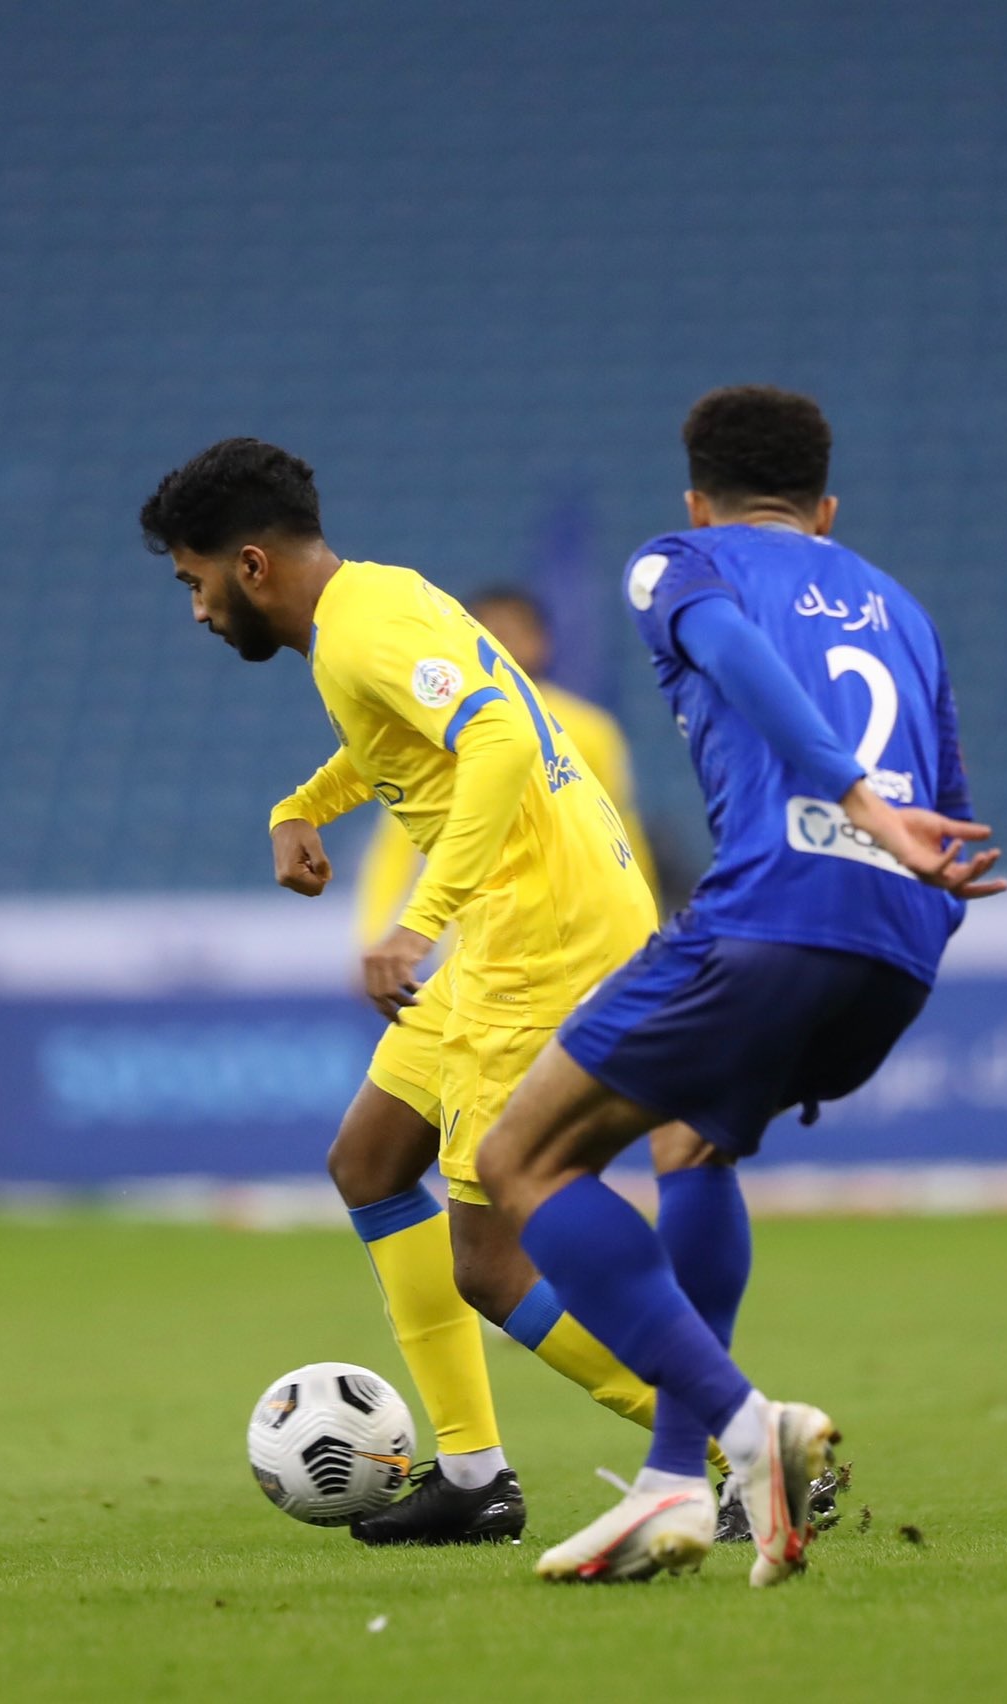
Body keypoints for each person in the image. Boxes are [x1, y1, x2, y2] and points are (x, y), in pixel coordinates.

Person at [467, 386, 1003, 1587]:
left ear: (694, 498)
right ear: (825, 508)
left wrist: (844, 796)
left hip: (769, 918)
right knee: (688, 1144)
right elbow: (954, 807)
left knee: (520, 1161)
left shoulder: (677, 563)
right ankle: (670, 1491)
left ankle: (741, 1425)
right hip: (900, 947)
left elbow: (730, 652)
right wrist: (894, 848)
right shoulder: (900, 606)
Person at [142, 438, 680, 1547]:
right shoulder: (376, 603)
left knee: (490, 1258)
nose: (194, 610)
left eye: (192, 582)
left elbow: (492, 740)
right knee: (371, 1160)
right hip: (525, 922)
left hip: (537, 937)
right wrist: (299, 802)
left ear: (247, 565)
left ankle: (728, 1443)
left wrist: (412, 925)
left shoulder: (365, 629)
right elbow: (412, 743)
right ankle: (474, 1477)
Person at [356, 586, 658, 942]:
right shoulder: (436, 733)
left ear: (541, 641)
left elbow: (620, 829)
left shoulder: (591, 730)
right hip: (480, 942)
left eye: (511, 634)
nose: (500, 647)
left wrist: (649, 928)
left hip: (578, 930)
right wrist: (374, 932)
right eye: (485, 634)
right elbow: (397, 843)